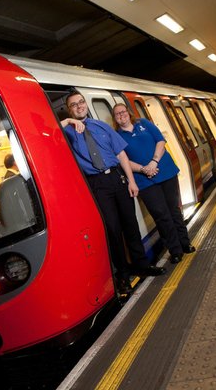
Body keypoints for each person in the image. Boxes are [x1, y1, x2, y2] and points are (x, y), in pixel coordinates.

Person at [60, 91, 166, 293]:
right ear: (70, 109)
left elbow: (121, 154)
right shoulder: (68, 131)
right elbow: (47, 133)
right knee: (113, 230)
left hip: (118, 178)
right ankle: (123, 276)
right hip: (97, 183)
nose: (80, 106)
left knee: (130, 224)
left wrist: (131, 181)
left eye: (81, 102)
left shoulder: (102, 126)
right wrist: (68, 121)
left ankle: (142, 266)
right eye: (74, 105)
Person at [112, 103, 196, 264]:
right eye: (117, 114)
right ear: (115, 119)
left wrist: (153, 162)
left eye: (123, 112)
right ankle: (175, 250)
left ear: (129, 113)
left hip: (166, 171)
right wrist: (144, 169)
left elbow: (160, 141)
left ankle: (185, 243)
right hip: (144, 180)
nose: (121, 115)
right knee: (161, 216)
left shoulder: (143, 123)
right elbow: (123, 160)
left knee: (174, 211)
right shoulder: (117, 136)